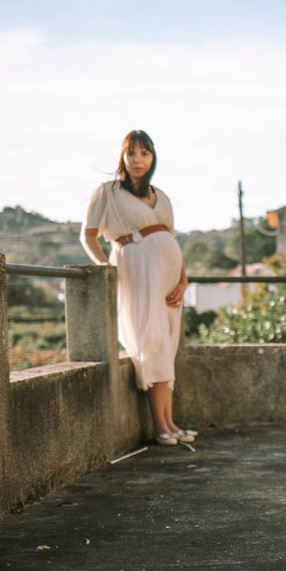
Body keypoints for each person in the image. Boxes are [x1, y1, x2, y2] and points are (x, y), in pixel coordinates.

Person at [80, 130, 195, 446]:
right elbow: (88, 235)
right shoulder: (108, 192)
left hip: (170, 278)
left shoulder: (162, 196)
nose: (137, 160)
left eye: (144, 154)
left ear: (152, 158)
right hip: (137, 273)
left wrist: (184, 281)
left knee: (167, 344)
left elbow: (172, 238)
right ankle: (159, 426)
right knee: (153, 342)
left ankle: (171, 423)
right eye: (131, 153)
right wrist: (105, 267)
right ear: (123, 157)